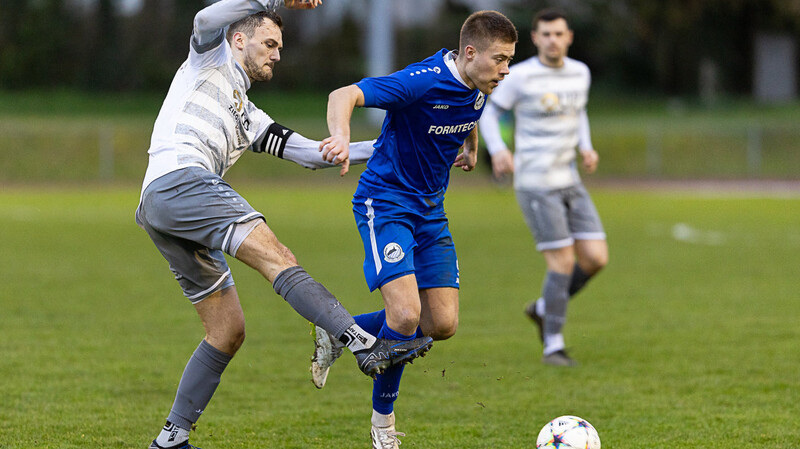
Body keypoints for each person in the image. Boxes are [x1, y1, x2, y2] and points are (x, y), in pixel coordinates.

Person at [135, 1, 433, 448]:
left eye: (280, 46)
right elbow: (202, 20)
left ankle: (171, 440)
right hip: (181, 181)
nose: (277, 53)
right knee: (278, 257)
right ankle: (359, 342)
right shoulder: (209, 57)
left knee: (227, 331)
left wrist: (394, 145)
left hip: (164, 207)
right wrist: (269, 2)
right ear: (239, 39)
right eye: (269, 43)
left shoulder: (251, 117)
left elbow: (313, 155)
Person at [308, 10, 517, 449]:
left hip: (430, 212)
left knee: (441, 324)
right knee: (405, 318)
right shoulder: (419, 81)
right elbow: (343, 94)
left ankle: (339, 330)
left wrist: (470, 147)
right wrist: (341, 137)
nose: (506, 69)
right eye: (500, 59)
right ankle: (383, 427)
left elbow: (469, 112)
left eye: (510, 60)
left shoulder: (480, 83)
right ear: (470, 52)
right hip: (385, 203)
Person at [479, 8, 608, 367]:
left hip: (570, 180)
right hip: (536, 182)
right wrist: (500, 149)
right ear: (535, 39)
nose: (553, 40)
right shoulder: (520, 77)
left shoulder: (580, 73)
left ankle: (541, 308)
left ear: (569, 37)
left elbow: (578, 112)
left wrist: (586, 146)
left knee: (596, 258)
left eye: (559, 34)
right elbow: (490, 111)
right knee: (563, 262)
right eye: (545, 34)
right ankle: (553, 344)